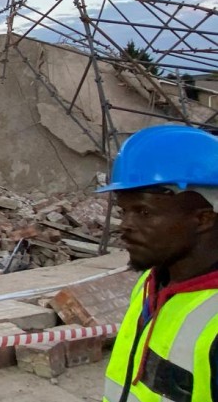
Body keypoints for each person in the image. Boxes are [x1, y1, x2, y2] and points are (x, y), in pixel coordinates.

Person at [96, 125, 218, 402]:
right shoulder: (151, 283)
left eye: (143, 211)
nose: (125, 226)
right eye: (124, 211)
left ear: (203, 219)